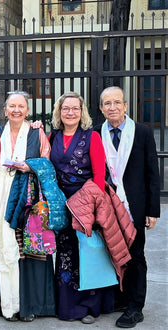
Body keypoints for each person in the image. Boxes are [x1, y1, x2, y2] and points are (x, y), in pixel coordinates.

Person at [95, 86, 160, 328]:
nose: (112, 107)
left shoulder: (142, 132)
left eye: (117, 102)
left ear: (126, 106)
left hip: (135, 206)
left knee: (135, 256)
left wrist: (153, 210)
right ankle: (120, 299)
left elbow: (152, 172)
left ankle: (135, 307)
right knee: (113, 253)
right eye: (107, 103)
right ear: (101, 108)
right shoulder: (95, 133)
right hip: (109, 207)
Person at [49, 91, 113, 324]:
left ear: (82, 111)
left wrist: (93, 206)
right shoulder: (52, 136)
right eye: (66, 108)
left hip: (85, 203)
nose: (70, 112)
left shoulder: (91, 136)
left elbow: (99, 175)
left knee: (87, 252)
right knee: (65, 253)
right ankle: (67, 306)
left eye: (75, 108)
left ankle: (89, 306)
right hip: (61, 205)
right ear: (59, 111)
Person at [0, 91, 55, 322]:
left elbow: (48, 165)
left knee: (30, 252)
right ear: (5, 110)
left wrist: (30, 167)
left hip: (29, 201)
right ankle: (10, 305)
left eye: (21, 106)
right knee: (8, 250)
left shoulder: (37, 133)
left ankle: (31, 305)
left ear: (27, 111)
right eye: (12, 106)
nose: (16, 110)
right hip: (3, 198)